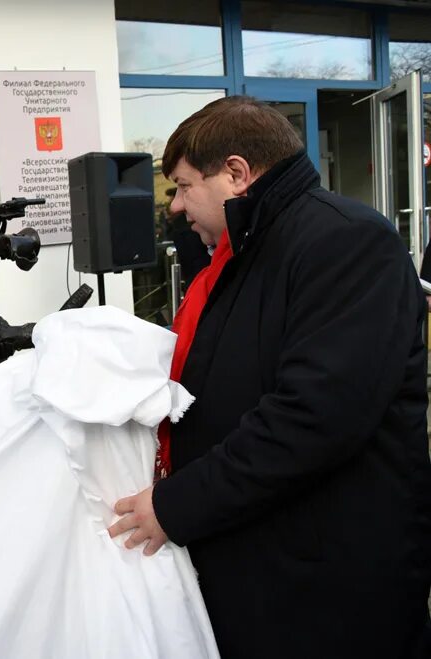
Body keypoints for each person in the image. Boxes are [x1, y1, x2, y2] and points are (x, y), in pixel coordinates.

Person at [109, 96, 431, 658]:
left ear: (236, 173)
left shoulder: (345, 241)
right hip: (271, 565)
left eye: (184, 187)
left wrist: (177, 504)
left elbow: (314, 418)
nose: (178, 208)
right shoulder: (251, 250)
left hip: (327, 591)